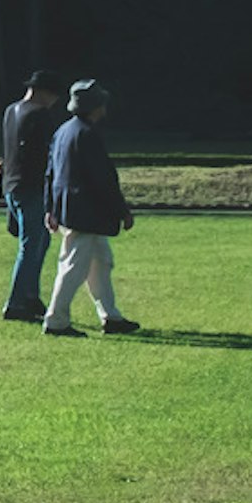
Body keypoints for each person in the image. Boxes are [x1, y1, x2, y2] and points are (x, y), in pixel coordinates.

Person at [42, 79, 143, 333]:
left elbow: (51, 173)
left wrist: (50, 208)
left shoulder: (64, 131)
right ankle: (55, 321)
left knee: (101, 261)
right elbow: (103, 178)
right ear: (96, 106)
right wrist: (122, 210)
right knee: (74, 266)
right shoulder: (87, 134)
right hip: (86, 212)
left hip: (70, 209)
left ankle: (111, 316)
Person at [0, 67, 64, 321]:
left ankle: (30, 296)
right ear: (45, 93)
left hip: (12, 185)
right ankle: (16, 302)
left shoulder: (11, 111)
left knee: (38, 242)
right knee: (31, 244)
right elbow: (48, 155)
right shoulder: (40, 115)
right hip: (32, 186)